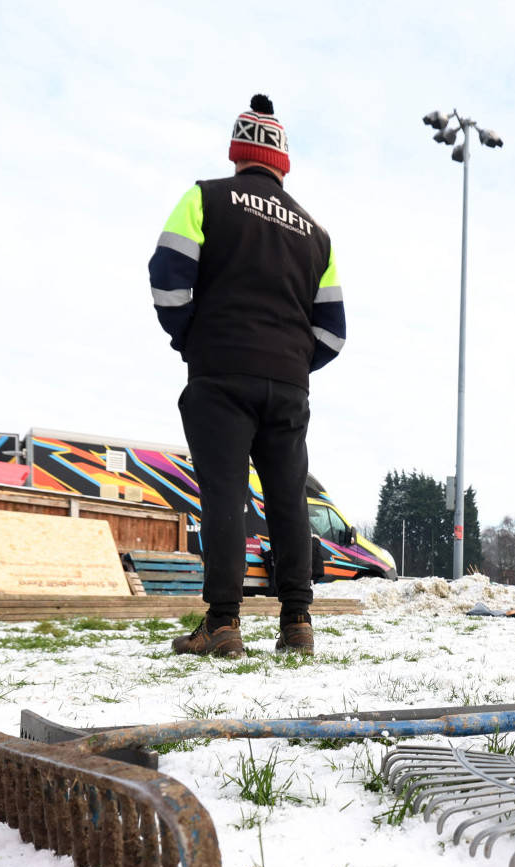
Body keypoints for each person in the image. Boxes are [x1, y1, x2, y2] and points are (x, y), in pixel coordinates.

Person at [147, 93, 345, 657]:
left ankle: (224, 624)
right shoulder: (316, 234)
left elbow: (167, 280)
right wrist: (289, 362)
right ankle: (297, 622)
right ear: (283, 162)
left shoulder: (205, 198)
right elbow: (332, 332)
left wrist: (193, 339)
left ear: (238, 154)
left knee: (225, 495)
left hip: (221, 373)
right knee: (288, 499)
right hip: (287, 387)